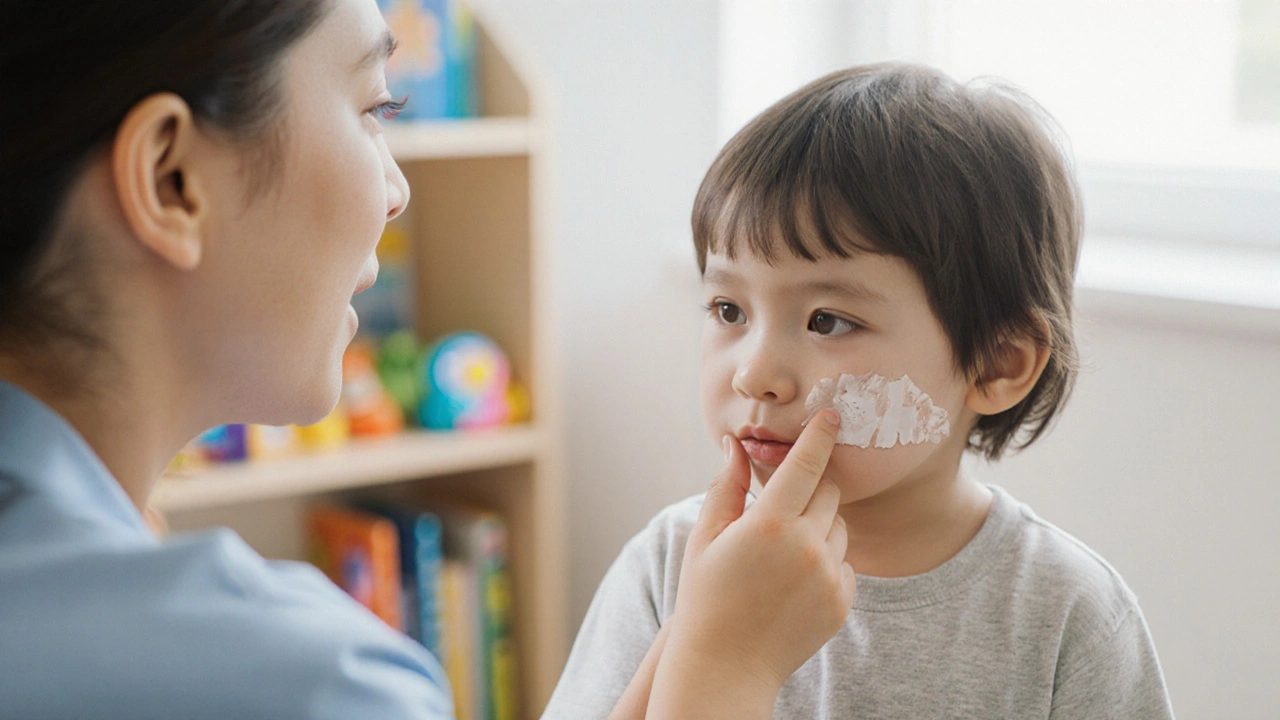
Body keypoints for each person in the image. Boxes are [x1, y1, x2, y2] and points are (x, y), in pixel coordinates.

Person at [0, 1, 856, 718]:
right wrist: (725, 675)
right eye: (376, 109)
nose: (397, 189)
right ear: (171, 179)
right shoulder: (306, 687)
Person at [543, 64, 1176, 719]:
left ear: (996, 364)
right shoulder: (671, 567)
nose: (753, 375)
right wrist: (716, 652)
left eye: (828, 321)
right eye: (729, 310)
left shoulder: (1065, 611)